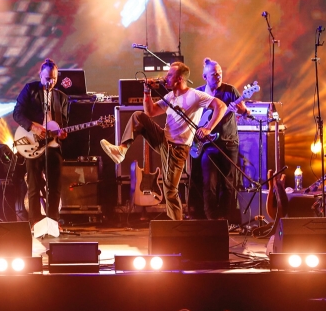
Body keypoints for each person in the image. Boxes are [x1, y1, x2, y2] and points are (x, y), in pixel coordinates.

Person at [101, 62, 227, 220]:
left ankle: (177, 226)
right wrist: (147, 92)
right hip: (163, 139)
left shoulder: (195, 95)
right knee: (138, 116)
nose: (165, 78)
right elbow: (150, 112)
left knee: (170, 191)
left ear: (179, 79)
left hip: (178, 149)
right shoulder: (170, 96)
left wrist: (208, 128)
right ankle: (121, 150)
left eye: (169, 75)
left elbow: (221, 106)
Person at [190, 58, 249, 220]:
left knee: (228, 184)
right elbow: (189, 118)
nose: (218, 77)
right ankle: (211, 219)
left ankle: (224, 219)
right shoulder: (198, 93)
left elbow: (246, 113)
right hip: (207, 145)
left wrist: (241, 110)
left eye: (220, 73)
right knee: (209, 183)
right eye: (214, 74)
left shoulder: (230, 91)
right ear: (205, 77)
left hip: (229, 143)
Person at [12, 58, 69, 226]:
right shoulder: (30, 90)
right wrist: (33, 126)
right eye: (47, 78)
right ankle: (35, 222)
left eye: (54, 79)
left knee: (55, 186)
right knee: (34, 185)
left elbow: (64, 123)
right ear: (40, 75)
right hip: (33, 143)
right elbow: (17, 113)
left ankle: (53, 222)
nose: (50, 82)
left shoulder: (62, 97)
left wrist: (63, 134)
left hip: (53, 145)